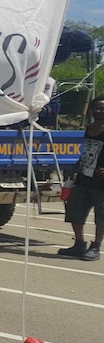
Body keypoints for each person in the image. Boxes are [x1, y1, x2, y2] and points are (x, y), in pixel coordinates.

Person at [59, 97, 104, 261]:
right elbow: (86, 151)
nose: (99, 111)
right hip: (84, 177)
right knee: (75, 211)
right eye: (96, 108)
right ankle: (79, 244)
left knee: (101, 216)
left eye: (102, 108)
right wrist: (75, 166)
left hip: (101, 183)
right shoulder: (90, 128)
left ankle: (96, 247)